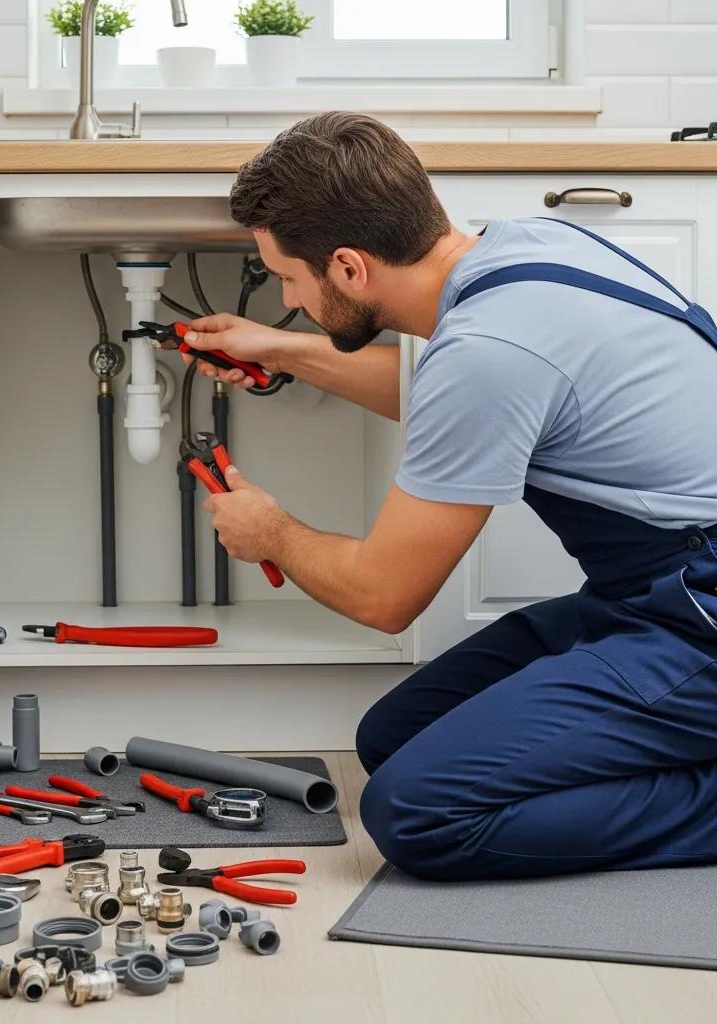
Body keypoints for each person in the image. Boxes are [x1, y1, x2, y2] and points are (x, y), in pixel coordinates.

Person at [184, 111, 717, 882]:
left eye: (289, 280)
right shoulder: (523, 250)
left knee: (417, 811)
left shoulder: (487, 352)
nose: (290, 302)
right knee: (394, 739)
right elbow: (463, 399)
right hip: (647, 595)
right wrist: (278, 351)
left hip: (697, 618)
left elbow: (384, 596)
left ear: (349, 267)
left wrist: (273, 535)